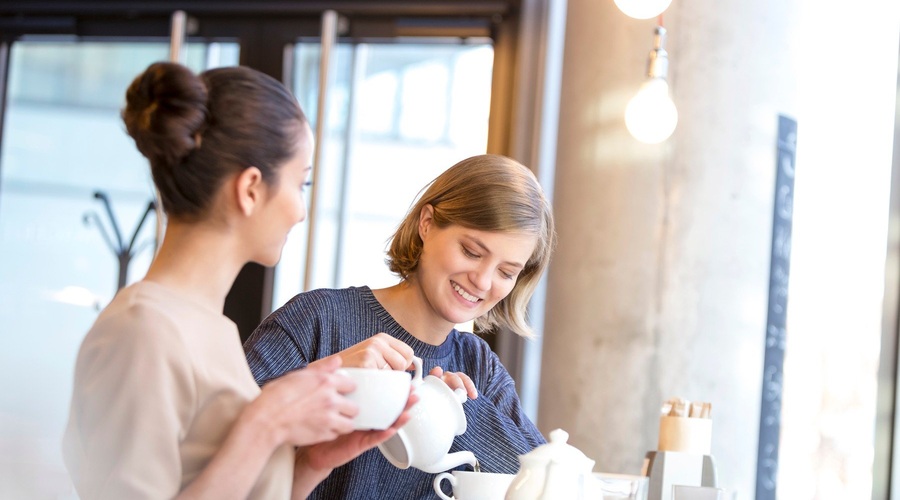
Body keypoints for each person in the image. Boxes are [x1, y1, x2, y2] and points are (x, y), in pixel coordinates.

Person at [62, 61, 415, 500]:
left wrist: (309, 464)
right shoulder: (142, 330)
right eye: (300, 184)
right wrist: (266, 424)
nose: (301, 211)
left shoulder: (213, 329)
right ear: (250, 188)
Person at [243, 153, 556, 498]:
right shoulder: (319, 319)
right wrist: (328, 377)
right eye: (471, 251)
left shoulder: (478, 368)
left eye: (506, 272)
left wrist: (461, 412)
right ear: (427, 224)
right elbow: (217, 442)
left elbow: (548, 485)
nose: (483, 282)